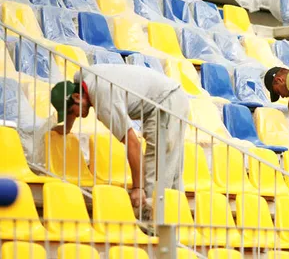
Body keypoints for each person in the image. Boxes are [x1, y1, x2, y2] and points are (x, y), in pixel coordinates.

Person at [50, 64, 189, 208]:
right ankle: (178, 219)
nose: (75, 115)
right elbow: (73, 102)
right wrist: (67, 127)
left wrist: (138, 188)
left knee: (157, 168)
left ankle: (152, 223)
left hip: (165, 103)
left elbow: (133, 143)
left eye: (72, 111)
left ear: (77, 97)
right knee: (173, 174)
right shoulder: (83, 79)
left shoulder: (104, 100)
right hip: (173, 96)